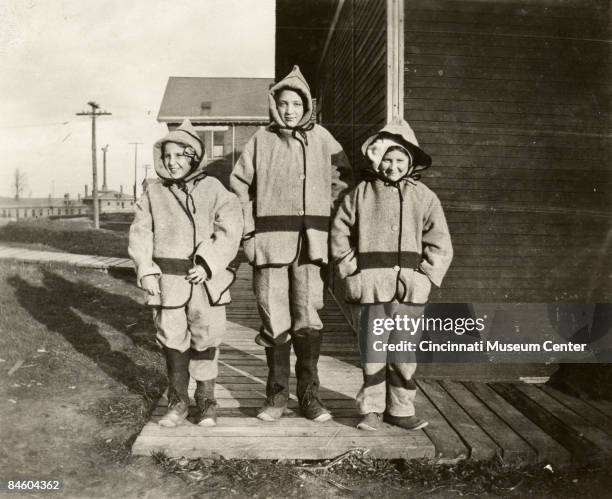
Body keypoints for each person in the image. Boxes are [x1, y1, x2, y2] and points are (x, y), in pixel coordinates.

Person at [230, 65, 353, 422]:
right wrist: (249, 233)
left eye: (296, 104)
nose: (289, 110)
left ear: (306, 106)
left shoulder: (324, 140)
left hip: (310, 246)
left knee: (308, 315)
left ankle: (309, 397)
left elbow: (342, 183)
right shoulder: (260, 141)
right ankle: (276, 397)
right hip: (269, 243)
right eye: (283, 104)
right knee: (273, 315)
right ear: (274, 105)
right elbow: (239, 187)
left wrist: (328, 224)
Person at [331, 121, 453, 431]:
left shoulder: (424, 197)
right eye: (387, 159)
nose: (393, 166)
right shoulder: (360, 194)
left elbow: (440, 243)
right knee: (373, 349)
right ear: (377, 159)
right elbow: (339, 233)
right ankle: (371, 408)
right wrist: (351, 269)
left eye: (400, 160)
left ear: (411, 161)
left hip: (410, 289)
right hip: (372, 286)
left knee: (404, 350)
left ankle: (400, 409)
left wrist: (426, 276)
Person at [129, 120, 243, 428]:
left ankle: (205, 399)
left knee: (206, 338)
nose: (172, 162)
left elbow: (231, 228)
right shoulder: (153, 192)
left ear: (193, 157)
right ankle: (178, 401)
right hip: (168, 283)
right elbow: (141, 233)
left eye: (180, 155)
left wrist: (209, 262)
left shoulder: (214, 189)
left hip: (206, 283)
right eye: (167, 156)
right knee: (172, 339)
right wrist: (146, 269)